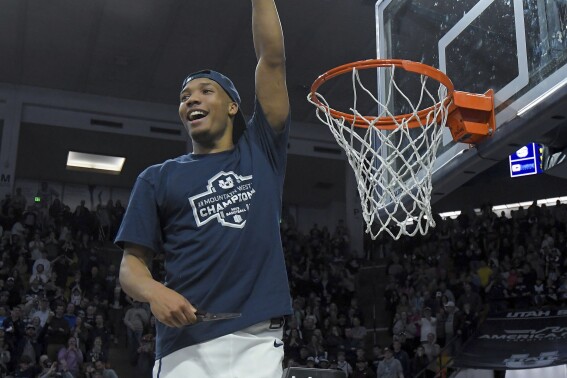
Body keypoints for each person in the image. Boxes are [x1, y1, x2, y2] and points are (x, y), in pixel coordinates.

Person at [115, 0, 291, 377]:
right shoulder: (156, 177)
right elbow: (131, 267)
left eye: (205, 91)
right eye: (184, 96)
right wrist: (154, 292)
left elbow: (271, 59)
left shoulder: (261, 151)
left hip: (257, 341)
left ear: (232, 107)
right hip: (185, 345)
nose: (191, 98)